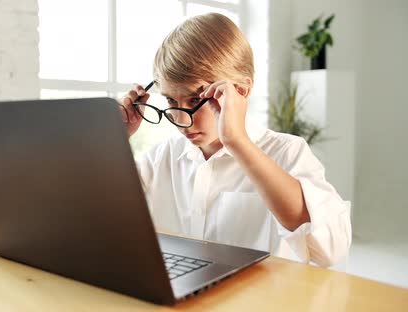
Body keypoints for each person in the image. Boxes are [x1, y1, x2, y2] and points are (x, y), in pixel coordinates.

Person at [118, 13, 351, 267]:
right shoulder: (160, 158)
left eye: (196, 100)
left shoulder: (287, 152)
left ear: (241, 91)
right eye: (171, 101)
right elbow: (101, 221)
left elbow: (331, 250)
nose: (180, 119)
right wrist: (116, 139)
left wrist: (238, 142)